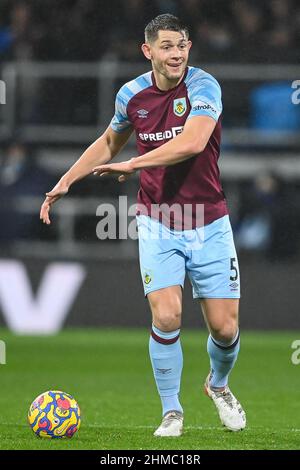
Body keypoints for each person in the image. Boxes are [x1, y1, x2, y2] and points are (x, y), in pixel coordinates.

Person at [40, 13, 246, 437]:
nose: (177, 54)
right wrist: (66, 179)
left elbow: (192, 142)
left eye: (182, 45)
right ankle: (172, 412)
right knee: (167, 316)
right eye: (167, 46)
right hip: (158, 220)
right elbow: (109, 141)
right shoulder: (130, 94)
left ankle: (218, 385)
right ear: (147, 50)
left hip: (209, 220)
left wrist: (134, 163)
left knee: (225, 329)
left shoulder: (204, 86)